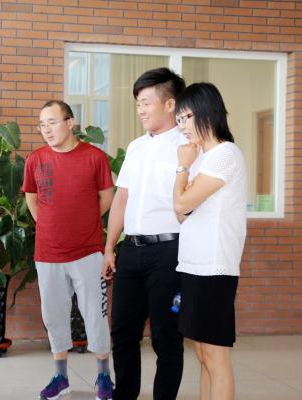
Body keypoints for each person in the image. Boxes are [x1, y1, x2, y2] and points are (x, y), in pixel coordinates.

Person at [102, 68, 186, 400]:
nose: (140, 110)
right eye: (137, 103)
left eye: (147, 102)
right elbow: (122, 198)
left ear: (170, 104)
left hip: (170, 252)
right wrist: (110, 247)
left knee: (167, 336)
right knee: (123, 333)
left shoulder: (188, 146)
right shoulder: (136, 147)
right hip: (131, 251)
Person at [23, 100, 115, 400]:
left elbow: (106, 197)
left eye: (52, 122)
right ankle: (60, 377)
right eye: (42, 125)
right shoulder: (35, 159)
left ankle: (104, 375)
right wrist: (47, 224)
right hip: (48, 253)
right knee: (54, 316)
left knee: (95, 315)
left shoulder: (95, 157)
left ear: (70, 122)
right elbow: (32, 197)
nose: (46, 130)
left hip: (88, 252)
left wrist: (84, 222)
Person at [172, 82, 247, 400]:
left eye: (186, 117)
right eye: (178, 120)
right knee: (203, 354)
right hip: (194, 265)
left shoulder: (224, 155)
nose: (182, 126)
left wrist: (182, 167)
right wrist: (187, 175)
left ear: (207, 111)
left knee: (216, 357)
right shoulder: (204, 158)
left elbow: (180, 204)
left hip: (214, 268)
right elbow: (182, 214)